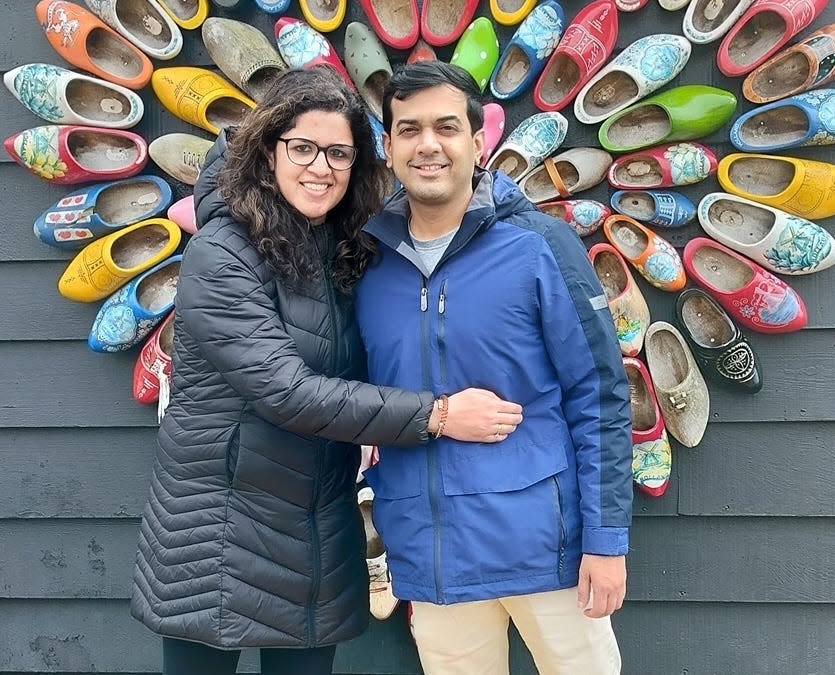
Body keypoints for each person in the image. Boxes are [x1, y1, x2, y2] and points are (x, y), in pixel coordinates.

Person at [129, 67, 523, 675]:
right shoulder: (222, 252)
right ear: (268, 149)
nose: (321, 167)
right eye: (303, 148)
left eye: (338, 152)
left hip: (317, 520)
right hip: (219, 529)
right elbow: (286, 392)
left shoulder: (343, 243)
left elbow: (442, 201)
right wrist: (440, 415)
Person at [354, 61, 634, 675]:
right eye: (409, 129)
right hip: (433, 556)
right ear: (390, 147)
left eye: (446, 127)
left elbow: (600, 395)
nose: (428, 145)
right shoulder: (369, 265)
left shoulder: (539, 246)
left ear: (478, 142)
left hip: (547, 551)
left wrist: (607, 542)